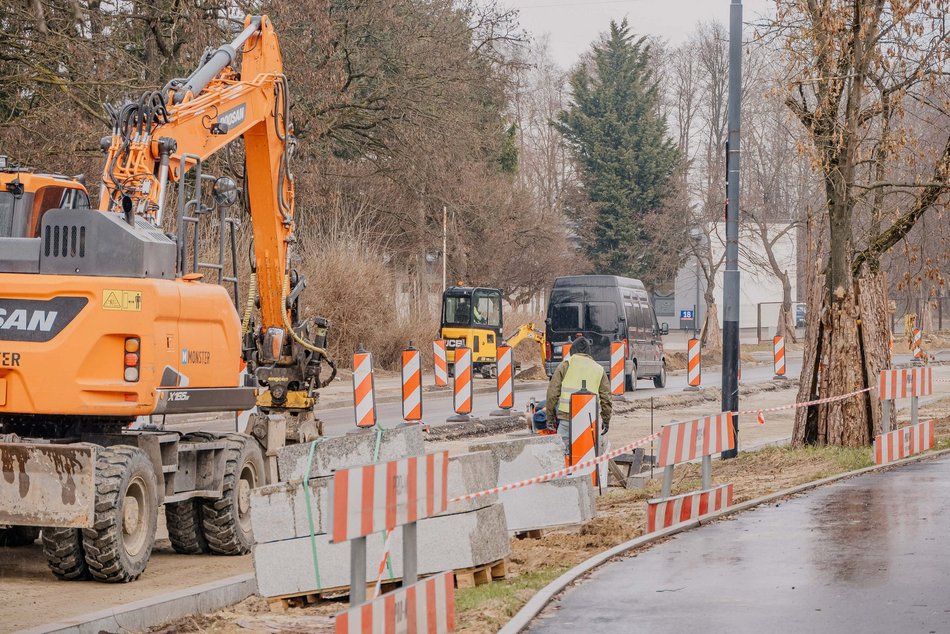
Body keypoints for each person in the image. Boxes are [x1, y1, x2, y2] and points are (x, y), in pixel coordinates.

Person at [544, 335, 612, 456]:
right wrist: (606, 420)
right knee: (587, 456)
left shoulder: (565, 365)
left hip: (566, 419)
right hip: (589, 421)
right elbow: (606, 398)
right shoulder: (599, 369)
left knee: (560, 456)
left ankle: (565, 474)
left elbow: (552, 394)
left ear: (572, 350)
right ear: (589, 352)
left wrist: (550, 419)